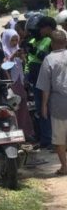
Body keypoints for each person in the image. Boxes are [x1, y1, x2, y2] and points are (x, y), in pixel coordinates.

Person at [36, 29, 67, 174]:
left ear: (52, 43)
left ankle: (65, 166)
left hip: (59, 105)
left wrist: (43, 106)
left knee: (59, 139)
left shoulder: (49, 59)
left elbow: (45, 87)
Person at [1, 28, 35, 140]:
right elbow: (5, 67)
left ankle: (26, 132)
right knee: (15, 108)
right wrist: (12, 57)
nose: (15, 43)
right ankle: (16, 134)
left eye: (16, 40)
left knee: (24, 108)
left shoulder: (17, 49)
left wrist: (22, 58)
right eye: (12, 40)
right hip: (12, 83)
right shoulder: (5, 51)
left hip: (20, 82)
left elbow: (22, 66)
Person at [28, 16, 56, 149]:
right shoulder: (38, 40)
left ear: (48, 28)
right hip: (38, 80)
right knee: (41, 110)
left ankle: (53, 140)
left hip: (48, 82)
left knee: (49, 110)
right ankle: (46, 139)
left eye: (41, 28)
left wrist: (35, 53)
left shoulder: (54, 40)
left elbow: (51, 59)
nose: (39, 30)